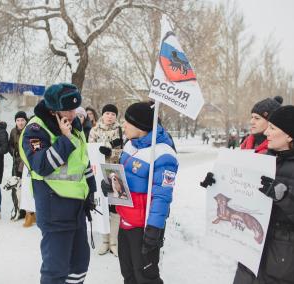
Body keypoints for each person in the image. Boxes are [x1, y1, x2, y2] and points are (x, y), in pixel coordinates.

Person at [202, 105, 294, 284]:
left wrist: (286, 196)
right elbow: (242, 196)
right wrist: (218, 184)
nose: (266, 133)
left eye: (272, 128)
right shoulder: (262, 160)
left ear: (289, 135)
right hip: (251, 258)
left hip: (290, 267)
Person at [19, 83, 97, 284]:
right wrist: (66, 139)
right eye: (67, 109)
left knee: (79, 264)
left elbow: (83, 163)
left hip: (77, 209)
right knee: (56, 269)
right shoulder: (35, 129)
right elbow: (42, 165)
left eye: (74, 108)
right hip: (54, 208)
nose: (72, 114)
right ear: (53, 109)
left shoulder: (74, 125)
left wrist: (91, 191)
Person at [101, 102, 178, 284]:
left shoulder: (163, 153)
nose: (124, 125)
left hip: (144, 227)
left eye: (128, 122)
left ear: (141, 127)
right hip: (125, 221)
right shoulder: (130, 145)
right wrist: (111, 186)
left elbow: (162, 196)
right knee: (127, 272)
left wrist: (154, 228)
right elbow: (123, 180)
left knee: (145, 276)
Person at [88, 103, 123, 256]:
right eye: (107, 113)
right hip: (99, 172)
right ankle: (105, 241)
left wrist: (111, 153)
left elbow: (123, 150)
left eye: (113, 114)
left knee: (115, 207)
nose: (110, 116)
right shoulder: (94, 130)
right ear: (102, 115)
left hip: (115, 170)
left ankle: (114, 242)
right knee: (102, 206)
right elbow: (90, 149)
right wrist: (101, 152)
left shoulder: (120, 129)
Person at [9, 111, 31, 225]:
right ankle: (18, 209)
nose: (20, 122)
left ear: (25, 121)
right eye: (18, 120)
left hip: (26, 164)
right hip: (16, 163)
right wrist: (15, 152)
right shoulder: (13, 131)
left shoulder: (29, 130)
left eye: (22, 120)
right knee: (15, 187)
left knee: (26, 188)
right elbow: (10, 145)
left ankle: (28, 211)